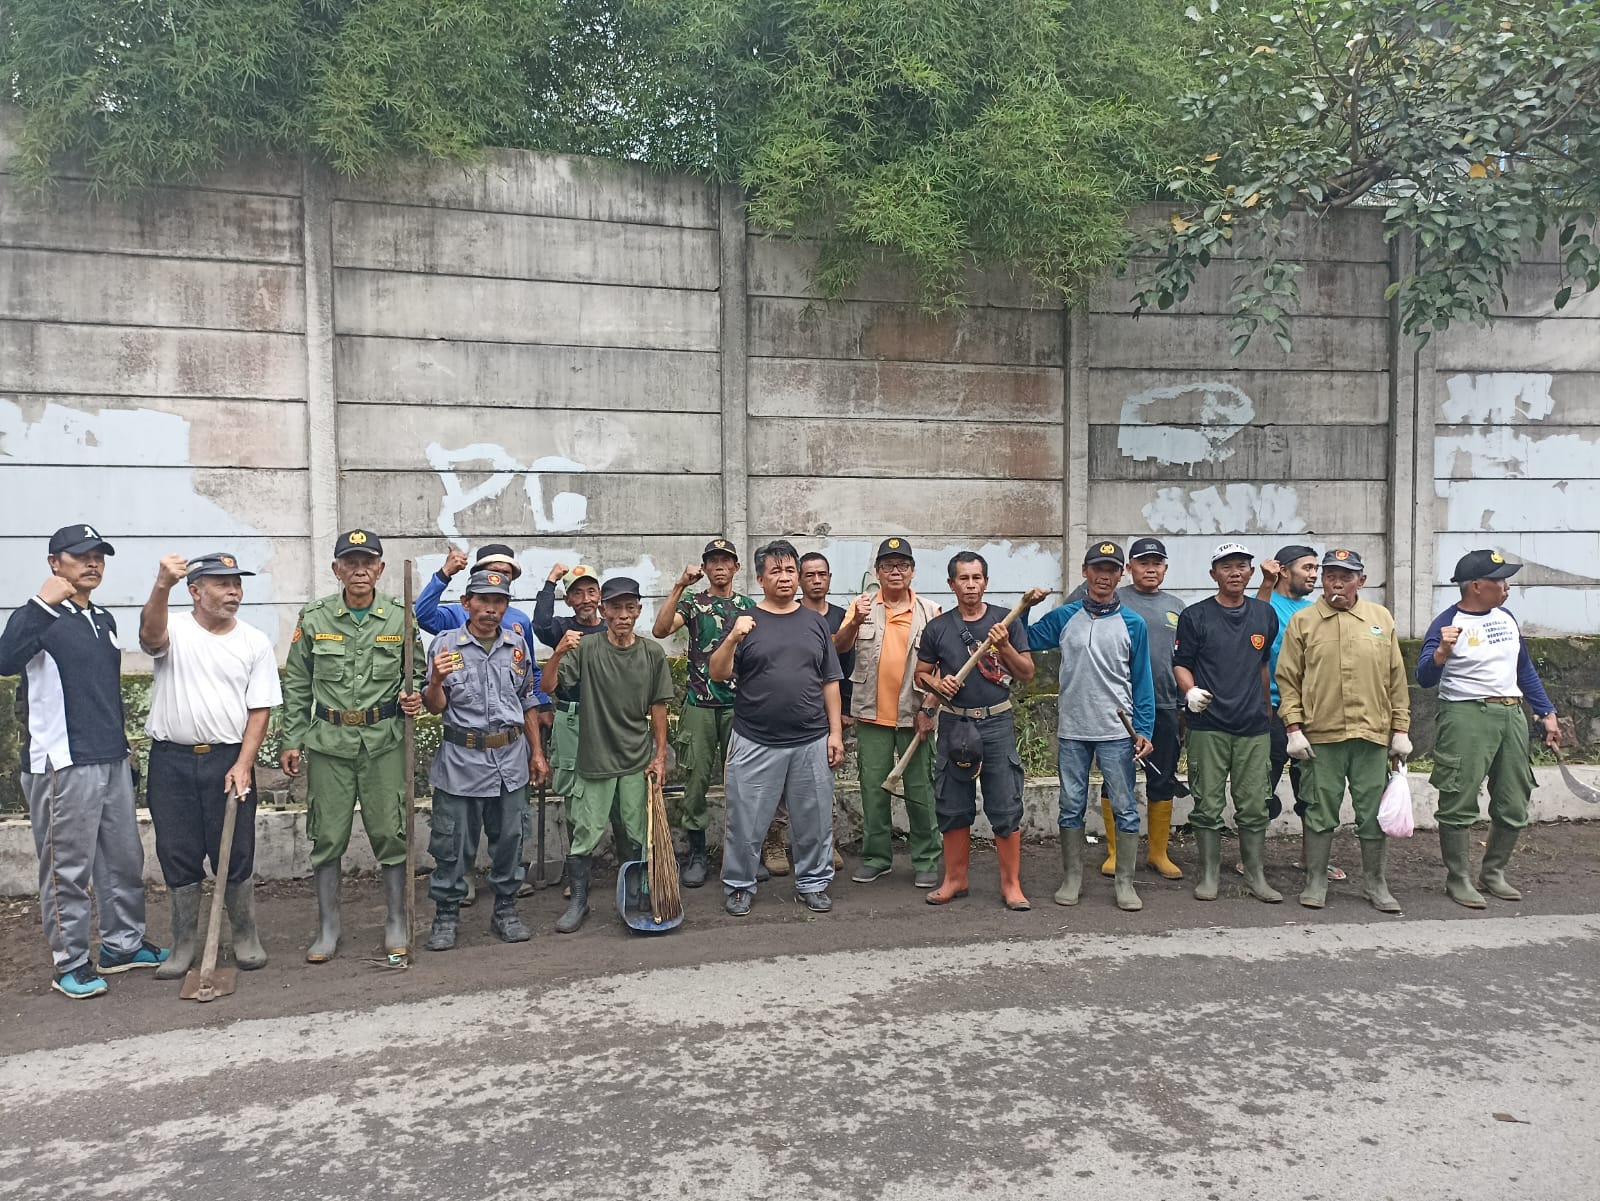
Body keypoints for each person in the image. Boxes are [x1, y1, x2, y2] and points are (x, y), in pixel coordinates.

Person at [0, 524, 168, 999]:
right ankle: (70, 962)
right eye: (80, 556)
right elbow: (5, 660)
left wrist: (124, 747)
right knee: (66, 869)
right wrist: (41, 602)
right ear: (55, 563)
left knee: (123, 860)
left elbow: (101, 691)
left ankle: (122, 945)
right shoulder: (37, 617)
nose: (93, 563)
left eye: (99, 556)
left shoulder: (102, 619)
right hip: (62, 760)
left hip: (110, 756)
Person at [280, 530, 424, 962]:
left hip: (384, 743)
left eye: (368, 562)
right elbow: (297, 682)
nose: (360, 570)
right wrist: (291, 739)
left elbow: (415, 674)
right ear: (336, 570)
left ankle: (396, 920)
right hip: (330, 743)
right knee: (327, 834)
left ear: (380, 569)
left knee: (390, 832)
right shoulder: (315, 618)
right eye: (351, 562)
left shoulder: (400, 617)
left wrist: (413, 695)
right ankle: (328, 927)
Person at [139, 551, 281, 980]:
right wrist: (161, 584)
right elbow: (150, 637)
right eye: (222, 583)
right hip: (172, 761)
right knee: (177, 850)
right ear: (195, 591)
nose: (233, 591)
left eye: (237, 583)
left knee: (234, 849)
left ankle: (245, 935)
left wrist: (244, 764)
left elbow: (260, 709)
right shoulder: (174, 629)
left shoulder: (254, 641)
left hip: (227, 759)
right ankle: (184, 942)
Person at [1417, 549, 1561, 908]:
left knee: (1514, 798)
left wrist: (1546, 712)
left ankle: (1493, 872)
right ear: (1476, 586)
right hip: (1466, 716)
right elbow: (1424, 677)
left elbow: (1523, 668)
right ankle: (1458, 878)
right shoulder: (1447, 623)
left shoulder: (1506, 617)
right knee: (1458, 798)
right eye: (1500, 581)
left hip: (1511, 714)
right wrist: (1440, 653)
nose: (1506, 587)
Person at [710, 540, 844, 917]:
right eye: (775, 571)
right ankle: (739, 884)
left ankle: (813, 882)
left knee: (814, 820)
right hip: (755, 739)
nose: (784, 578)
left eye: (789, 571)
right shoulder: (745, 622)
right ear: (760, 579)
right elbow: (718, 673)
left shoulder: (815, 623)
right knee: (745, 821)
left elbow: (830, 681)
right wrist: (734, 637)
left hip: (811, 738)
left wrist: (835, 733)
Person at [413, 543, 552, 905]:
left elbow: (526, 698)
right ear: (467, 603)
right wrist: (435, 681)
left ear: (507, 605)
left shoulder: (517, 642)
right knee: (453, 845)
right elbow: (434, 707)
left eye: (499, 601)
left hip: (510, 761)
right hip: (462, 762)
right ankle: (447, 916)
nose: (491, 609)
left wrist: (537, 753)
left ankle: (507, 912)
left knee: (510, 841)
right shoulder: (445, 644)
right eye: (483, 601)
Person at [1274, 549, 1411, 912]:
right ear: (1322, 579)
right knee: (1319, 810)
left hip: (1371, 735)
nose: (1337, 583)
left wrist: (1401, 729)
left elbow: (1396, 678)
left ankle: (1375, 883)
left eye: (1346, 576)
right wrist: (1293, 727)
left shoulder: (1380, 618)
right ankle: (1316, 880)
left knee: (1372, 813)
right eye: (1331, 575)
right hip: (1321, 736)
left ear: (1360, 581)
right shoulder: (1303, 621)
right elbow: (1288, 679)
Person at [1025, 542, 1154, 911]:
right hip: (1073, 731)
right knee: (1070, 805)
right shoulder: (1065, 617)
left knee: (1125, 806)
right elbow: (1026, 640)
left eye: (1112, 570)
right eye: (1098, 568)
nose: (1104, 576)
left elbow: (1142, 681)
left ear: (1121, 574)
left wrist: (1144, 729)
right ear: (1085, 572)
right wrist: (1026, 607)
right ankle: (1072, 877)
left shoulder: (1134, 624)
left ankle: (1125, 882)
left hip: (1117, 732)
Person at [915, 552, 1048, 910]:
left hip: (996, 722)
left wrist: (1003, 645)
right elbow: (921, 673)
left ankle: (1011, 885)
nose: (970, 585)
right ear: (951, 584)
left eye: (977, 578)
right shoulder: (938, 628)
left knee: (1005, 803)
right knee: (952, 803)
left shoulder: (1006, 621)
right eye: (963, 578)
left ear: (986, 582)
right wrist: (937, 684)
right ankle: (954, 879)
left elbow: (1026, 673)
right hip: (955, 723)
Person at [542, 577, 673, 933]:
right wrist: (558, 651)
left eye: (630, 607)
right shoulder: (586, 648)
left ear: (639, 611)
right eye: (615, 607)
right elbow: (548, 686)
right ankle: (579, 901)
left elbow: (659, 707)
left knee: (637, 833)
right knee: (586, 833)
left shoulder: (651, 653)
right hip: (595, 759)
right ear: (604, 610)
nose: (623, 615)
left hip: (636, 759)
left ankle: (639, 894)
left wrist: (660, 755)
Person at [1072, 537, 1188, 882]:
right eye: (1143, 563)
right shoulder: (1111, 598)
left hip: (1165, 704)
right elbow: (1069, 620)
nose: (1150, 569)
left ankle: (1158, 853)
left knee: (1162, 776)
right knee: (1116, 777)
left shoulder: (1177, 606)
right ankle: (1115, 852)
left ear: (1165, 568)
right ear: (1129, 569)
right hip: (1118, 707)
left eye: (1157, 563)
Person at [1173, 542, 1282, 904]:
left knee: (1254, 804)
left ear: (1251, 572)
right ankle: (1209, 875)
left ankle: (1255, 875)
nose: (1235, 572)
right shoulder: (1195, 616)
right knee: (1207, 804)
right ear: (1213, 574)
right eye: (1226, 567)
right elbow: (1181, 663)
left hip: (1253, 725)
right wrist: (1190, 691)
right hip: (1208, 724)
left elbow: (1262, 663)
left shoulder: (1264, 615)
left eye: (1241, 566)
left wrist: (1267, 707)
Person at [836, 538, 942, 887]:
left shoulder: (931, 611)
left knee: (920, 790)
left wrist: (930, 708)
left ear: (912, 571)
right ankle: (877, 858)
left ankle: (926, 859)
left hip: (915, 714)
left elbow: (940, 668)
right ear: (878, 572)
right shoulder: (862, 606)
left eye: (902, 565)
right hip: (872, 716)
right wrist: (855, 622)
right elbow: (840, 647)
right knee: (873, 791)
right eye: (888, 566)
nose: (895, 571)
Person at [653, 539, 756, 887]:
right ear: (706, 567)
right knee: (695, 781)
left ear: (736, 567)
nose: (719, 566)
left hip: (739, 706)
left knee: (743, 783)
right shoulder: (694, 603)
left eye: (726, 561)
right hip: (700, 705)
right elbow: (661, 630)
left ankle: (743, 852)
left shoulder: (748, 607)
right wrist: (679, 585)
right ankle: (697, 852)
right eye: (713, 561)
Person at [756, 551, 854, 878]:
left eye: (821, 574)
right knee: (777, 788)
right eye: (809, 574)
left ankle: (825, 845)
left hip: (822, 719)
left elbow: (839, 670)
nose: (816, 580)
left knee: (820, 787)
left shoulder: (837, 617)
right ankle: (774, 841)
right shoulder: (771, 616)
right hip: (776, 722)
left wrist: (840, 717)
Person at [1254, 544, 1346, 879]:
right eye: (1307, 568)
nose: (1313, 575)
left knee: (1312, 789)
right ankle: (1253, 859)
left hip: (1313, 714)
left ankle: (1312, 858)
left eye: (1315, 569)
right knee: (1261, 785)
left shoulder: (1315, 611)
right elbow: (1255, 624)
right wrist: (1266, 583)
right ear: (1283, 570)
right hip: (1271, 709)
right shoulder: (1266, 603)